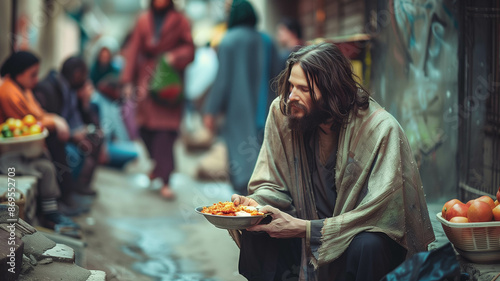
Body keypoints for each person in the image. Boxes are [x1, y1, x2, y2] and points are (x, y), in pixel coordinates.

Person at [229, 43, 435, 281]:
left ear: (332, 93)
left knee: (370, 245)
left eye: (303, 89)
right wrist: (253, 204)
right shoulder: (285, 113)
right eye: (291, 86)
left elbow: (383, 216)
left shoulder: (380, 129)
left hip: (354, 237)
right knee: (260, 229)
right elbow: (273, 184)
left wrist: (307, 229)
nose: (291, 97)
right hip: (304, 238)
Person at [203, 0, 281, 195]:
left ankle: (243, 197)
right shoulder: (267, 40)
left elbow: (222, 81)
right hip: (265, 109)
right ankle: (263, 194)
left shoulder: (228, 40)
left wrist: (211, 111)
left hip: (237, 111)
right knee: (262, 149)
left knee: (240, 153)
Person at [121, 0, 194, 199]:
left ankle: (165, 180)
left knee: (165, 132)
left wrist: (174, 56)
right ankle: (159, 167)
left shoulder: (181, 20)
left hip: (168, 81)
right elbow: (133, 49)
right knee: (145, 129)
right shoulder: (142, 19)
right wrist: (127, 81)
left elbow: (190, 49)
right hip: (145, 79)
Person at [0, 51, 80, 235]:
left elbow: (38, 114)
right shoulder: (8, 92)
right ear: (18, 73)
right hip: (7, 156)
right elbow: (28, 122)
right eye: (33, 75)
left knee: (47, 166)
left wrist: (54, 120)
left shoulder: (23, 89)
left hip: (21, 150)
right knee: (45, 168)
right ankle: (51, 215)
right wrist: (55, 122)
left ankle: (52, 214)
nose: (36, 80)